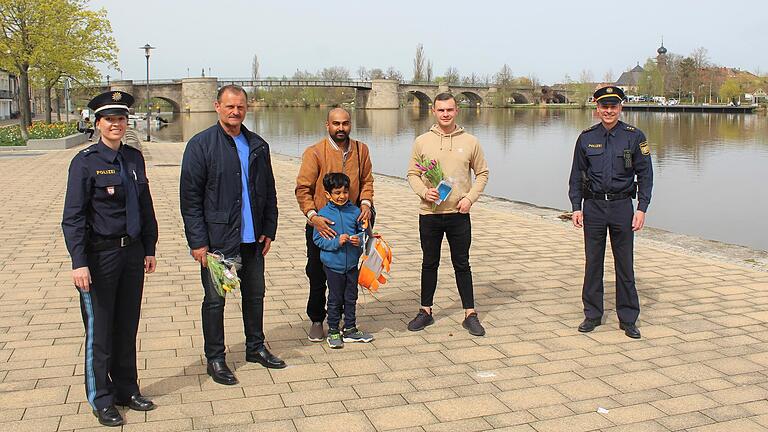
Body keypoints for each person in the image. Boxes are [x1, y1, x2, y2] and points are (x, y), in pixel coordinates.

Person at [62, 91, 158, 427]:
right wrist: (78, 261)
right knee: (100, 330)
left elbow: (145, 206)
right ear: (97, 123)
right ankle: (101, 398)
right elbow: (73, 217)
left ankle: (126, 389)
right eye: (109, 119)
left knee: (127, 326)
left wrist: (149, 247)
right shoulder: (85, 162)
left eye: (120, 119)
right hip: (99, 256)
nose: (116, 124)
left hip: (131, 252)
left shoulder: (134, 158)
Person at [180, 85, 285, 387]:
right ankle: (215, 357)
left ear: (246, 108)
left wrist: (269, 229)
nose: (235, 112)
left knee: (255, 295)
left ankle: (256, 347)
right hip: (218, 243)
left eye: (240, 107)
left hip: (252, 240)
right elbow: (190, 199)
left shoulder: (258, 145)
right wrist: (198, 242)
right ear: (217, 107)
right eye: (229, 106)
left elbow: (269, 192)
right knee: (215, 301)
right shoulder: (201, 146)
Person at [568, 85, 653, 339]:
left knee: (625, 264)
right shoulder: (585, 138)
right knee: (593, 263)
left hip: (621, 207)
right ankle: (592, 314)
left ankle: (628, 318)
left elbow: (646, 175)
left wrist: (642, 208)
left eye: (613, 106)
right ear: (597, 108)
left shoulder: (634, 137)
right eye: (604, 106)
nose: (608, 111)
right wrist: (576, 206)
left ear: (621, 107)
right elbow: (576, 176)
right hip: (593, 207)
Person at [406, 92, 489, 337]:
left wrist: (469, 198)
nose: (445, 114)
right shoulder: (422, 141)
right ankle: (425, 311)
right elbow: (411, 173)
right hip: (429, 214)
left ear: (456, 111)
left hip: (458, 213)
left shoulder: (471, 141)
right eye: (441, 110)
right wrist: (423, 192)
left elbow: (483, 173)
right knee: (429, 263)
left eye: (449, 110)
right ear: (433, 111)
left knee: (462, 263)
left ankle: (470, 314)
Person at [295, 108, 374, 343]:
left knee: (350, 274)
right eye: (336, 124)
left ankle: (347, 323)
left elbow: (367, 181)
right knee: (318, 273)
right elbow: (303, 189)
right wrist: (313, 217)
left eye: (345, 123)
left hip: (353, 220)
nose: (341, 128)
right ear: (327, 125)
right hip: (323, 224)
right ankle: (318, 320)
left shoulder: (361, 150)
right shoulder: (315, 152)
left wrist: (366, 204)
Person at [312, 173, 374, 348]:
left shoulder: (355, 211)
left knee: (351, 297)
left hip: (352, 265)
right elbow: (318, 240)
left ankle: (350, 329)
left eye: (345, 192)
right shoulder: (322, 215)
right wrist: (335, 242)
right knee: (334, 298)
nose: (342, 196)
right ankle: (333, 330)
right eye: (337, 192)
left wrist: (358, 239)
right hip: (333, 265)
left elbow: (363, 234)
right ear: (328, 194)